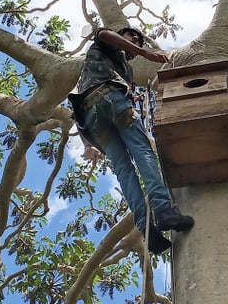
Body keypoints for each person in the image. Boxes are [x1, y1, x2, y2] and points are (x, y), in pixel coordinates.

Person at [69, 26, 194, 254]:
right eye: (131, 37)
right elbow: (104, 34)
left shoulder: (121, 69)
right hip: (111, 101)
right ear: (122, 37)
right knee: (142, 151)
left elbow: (75, 111)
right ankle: (164, 209)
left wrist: (88, 145)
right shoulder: (104, 44)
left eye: (138, 39)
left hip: (92, 119)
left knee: (123, 170)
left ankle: (146, 229)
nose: (136, 41)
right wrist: (146, 52)